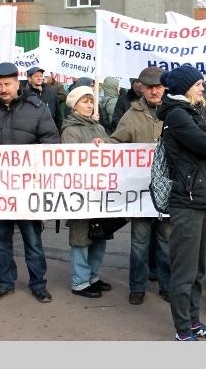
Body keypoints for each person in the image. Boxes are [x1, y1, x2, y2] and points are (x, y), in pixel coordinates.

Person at [0, 62, 60, 304]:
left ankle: (38, 285)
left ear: (17, 83)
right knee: (1, 241)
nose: (3, 89)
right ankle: (5, 283)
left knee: (33, 241)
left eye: (7, 84)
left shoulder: (37, 108)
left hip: (28, 190)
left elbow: (52, 143)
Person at [156, 65, 206, 341]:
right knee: (184, 272)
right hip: (187, 201)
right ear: (185, 88)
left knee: (198, 270)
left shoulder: (194, 111)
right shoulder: (178, 115)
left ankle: (193, 322)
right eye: (199, 84)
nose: (204, 88)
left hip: (203, 198)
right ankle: (182, 331)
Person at [105, 66, 171, 305]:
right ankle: (137, 287)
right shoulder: (132, 114)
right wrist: (104, 144)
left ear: (165, 88)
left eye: (158, 87)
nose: (154, 91)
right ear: (141, 88)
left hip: (167, 189)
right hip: (140, 192)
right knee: (140, 242)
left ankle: (167, 286)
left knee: (166, 242)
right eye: (149, 87)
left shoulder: (175, 111)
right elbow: (116, 141)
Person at [61, 85, 114, 299]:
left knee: (99, 235)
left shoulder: (98, 127)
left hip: (99, 191)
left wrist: (105, 142)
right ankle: (80, 281)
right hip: (81, 193)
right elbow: (71, 161)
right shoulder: (70, 130)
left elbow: (111, 147)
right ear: (74, 106)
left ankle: (93, 276)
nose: (90, 105)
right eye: (84, 101)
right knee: (81, 238)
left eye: (91, 101)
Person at [23, 66, 63, 132]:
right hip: (33, 132)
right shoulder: (25, 95)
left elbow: (58, 115)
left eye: (41, 76)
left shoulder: (51, 92)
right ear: (29, 78)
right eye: (36, 76)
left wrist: (58, 131)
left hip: (51, 131)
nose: (39, 78)